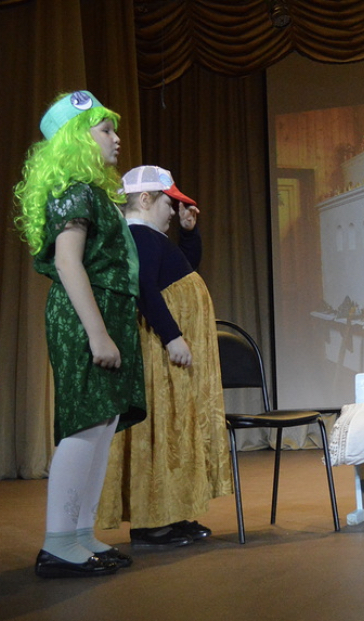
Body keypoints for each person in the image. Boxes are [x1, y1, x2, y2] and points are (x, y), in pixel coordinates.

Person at [14, 91, 146, 577]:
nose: (116, 138)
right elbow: (69, 263)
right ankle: (57, 543)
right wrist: (97, 334)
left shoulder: (92, 191)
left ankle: (79, 533)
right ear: (76, 139)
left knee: (102, 426)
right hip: (85, 314)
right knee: (85, 424)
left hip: (105, 310)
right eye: (105, 130)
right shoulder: (72, 188)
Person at [97, 166, 232, 547]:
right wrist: (172, 336)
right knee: (161, 431)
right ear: (145, 199)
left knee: (175, 430)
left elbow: (185, 270)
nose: (174, 210)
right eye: (169, 203)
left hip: (170, 358)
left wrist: (189, 233)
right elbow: (144, 288)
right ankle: (152, 522)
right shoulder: (139, 236)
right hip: (160, 355)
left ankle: (173, 512)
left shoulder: (152, 238)